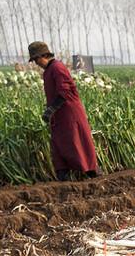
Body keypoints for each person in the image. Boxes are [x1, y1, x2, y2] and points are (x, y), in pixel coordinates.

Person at [28, 41, 98, 181]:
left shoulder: (57, 68)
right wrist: (50, 110)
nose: (36, 63)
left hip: (70, 112)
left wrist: (51, 109)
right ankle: (63, 175)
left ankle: (91, 173)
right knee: (59, 143)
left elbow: (64, 91)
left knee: (76, 141)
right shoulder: (48, 71)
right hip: (59, 114)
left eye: (36, 59)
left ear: (44, 55)